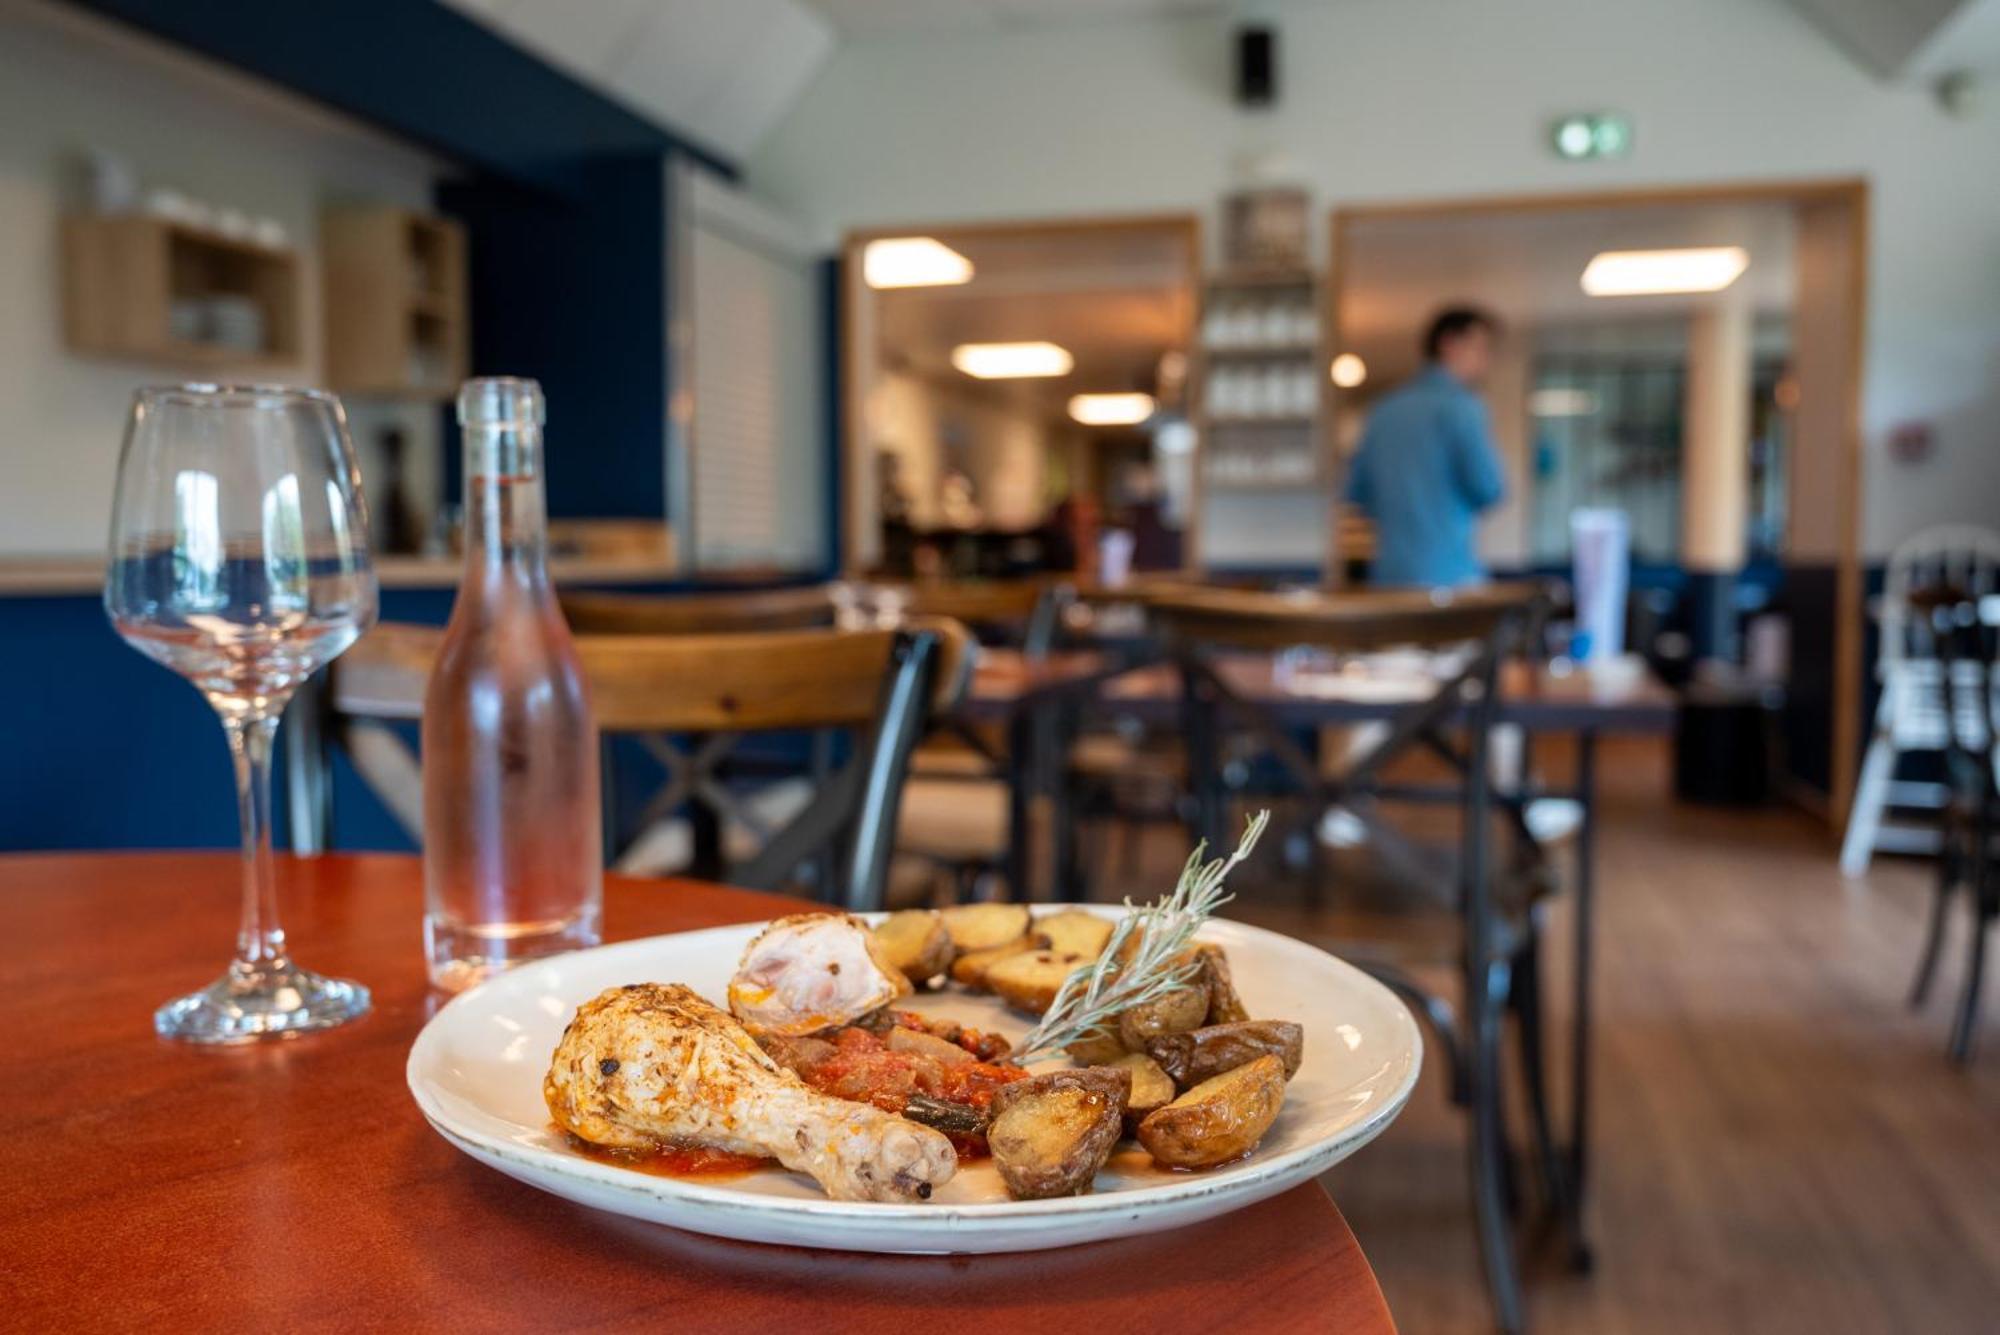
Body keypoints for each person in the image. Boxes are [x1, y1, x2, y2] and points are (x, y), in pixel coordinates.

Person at [1344, 307, 1506, 588]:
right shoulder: (1463, 407)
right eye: (1480, 348)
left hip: (1389, 579)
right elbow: (1489, 488)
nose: (1486, 360)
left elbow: (1357, 493)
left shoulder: (1382, 412)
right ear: (1450, 344)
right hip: (1450, 580)